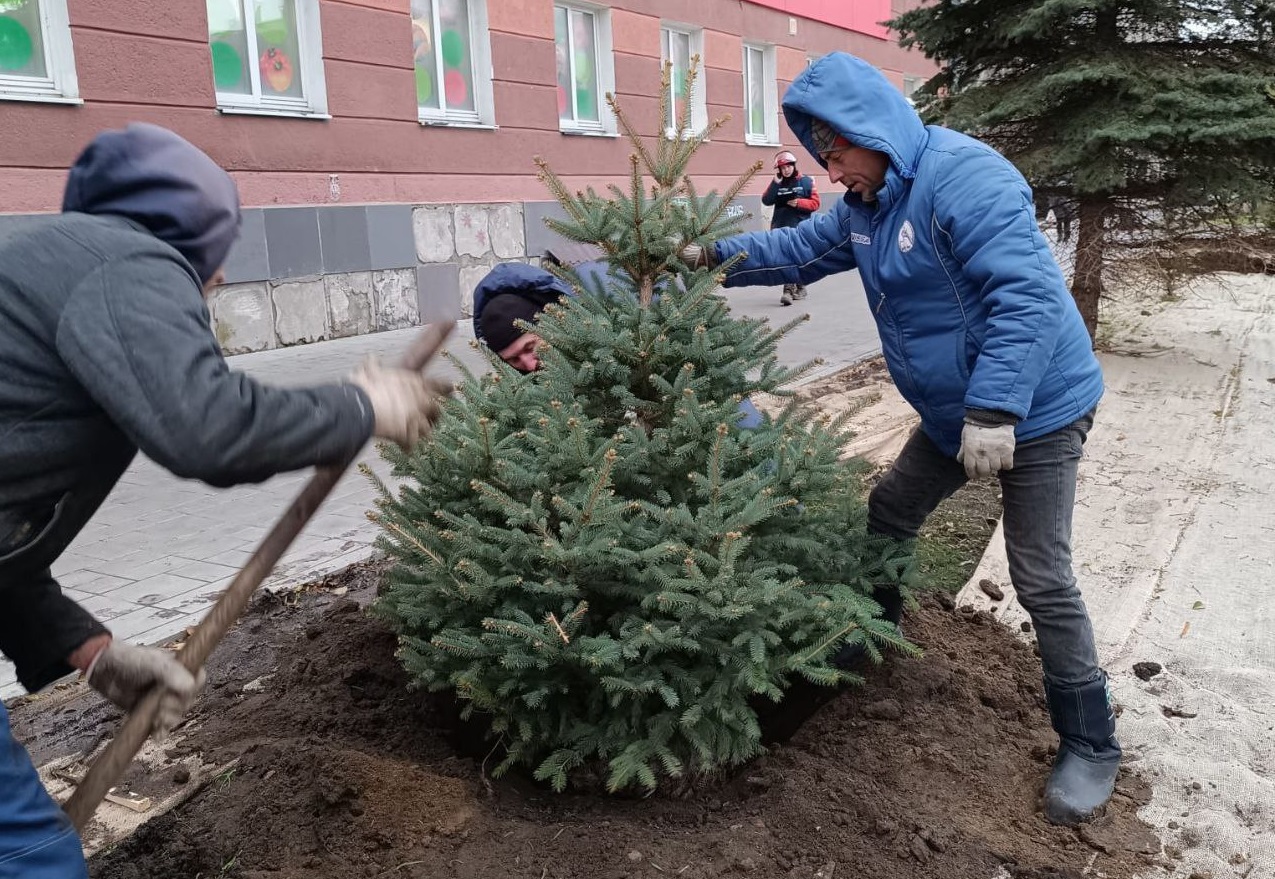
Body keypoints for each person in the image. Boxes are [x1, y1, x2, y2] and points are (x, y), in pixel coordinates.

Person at [0, 123, 445, 877]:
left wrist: (89, 651)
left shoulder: (57, 272)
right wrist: (364, 406)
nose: (222, 278)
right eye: (219, 248)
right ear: (192, 233)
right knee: (32, 856)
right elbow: (206, 428)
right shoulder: (128, 263)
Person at [683, 52, 1115, 827]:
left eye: (837, 150)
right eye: (821, 155)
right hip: (958, 413)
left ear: (868, 129)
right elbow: (796, 250)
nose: (831, 167)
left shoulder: (962, 178)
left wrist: (995, 410)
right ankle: (870, 635)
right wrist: (708, 258)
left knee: (1041, 574)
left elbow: (1026, 299)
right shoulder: (866, 203)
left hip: (1037, 406)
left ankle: (1090, 741)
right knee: (889, 511)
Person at [760, 150, 821, 306]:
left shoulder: (806, 182)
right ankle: (799, 286)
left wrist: (799, 203)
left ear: (794, 166)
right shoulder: (778, 183)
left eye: (788, 167)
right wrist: (775, 183)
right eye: (782, 168)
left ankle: (788, 291)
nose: (786, 170)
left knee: (793, 257)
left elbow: (815, 203)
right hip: (780, 226)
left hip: (799, 228)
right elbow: (766, 200)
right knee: (786, 258)